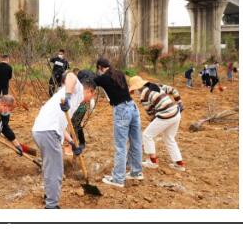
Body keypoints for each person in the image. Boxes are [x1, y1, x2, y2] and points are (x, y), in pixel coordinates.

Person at [32, 71, 95, 208]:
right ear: (89, 90)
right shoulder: (76, 90)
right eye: (92, 94)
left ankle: (49, 196)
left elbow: (63, 128)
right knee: (56, 170)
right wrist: (67, 96)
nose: (90, 98)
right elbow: (70, 75)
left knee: (51, 169)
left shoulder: (72, 100)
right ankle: (51, 206)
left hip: (43, 131)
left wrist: (72, 143)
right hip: (48, 131)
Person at [94, 57, 143, 187]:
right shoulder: (119, 73)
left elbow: (91, 80)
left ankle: (118, 179)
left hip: (122, 111)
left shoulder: (103, 78)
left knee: (120, 146)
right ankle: (136, 172)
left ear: (100, 68)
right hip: (133, 107)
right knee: (136, 141)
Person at [128, 75, 186, 172]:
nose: (136, 92)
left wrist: (152, 125)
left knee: (147, 135)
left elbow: (151, 114)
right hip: (176, 113)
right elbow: (173, 90)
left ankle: (152, 161)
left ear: (137, 88)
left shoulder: (143, 96)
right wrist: (179, 102)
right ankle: (179, 164)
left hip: (166, 115)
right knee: (169, 138)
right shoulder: (155, 85)